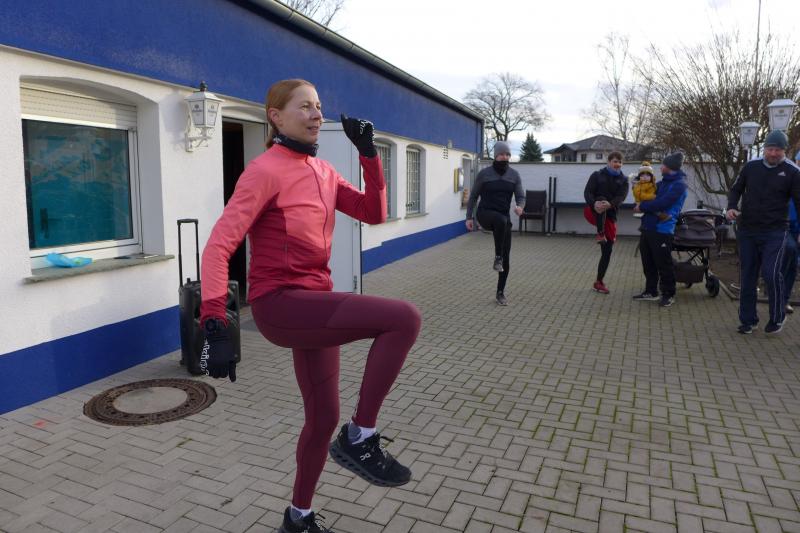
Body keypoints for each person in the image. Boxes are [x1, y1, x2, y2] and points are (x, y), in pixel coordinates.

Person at [198, 79, 422, 533]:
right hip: (279, 304)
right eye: (305, 107)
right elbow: (219, 246)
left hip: (314, 304)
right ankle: (361, 436)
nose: (317, 114)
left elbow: (374, 213)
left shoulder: (324, 172)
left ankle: (298, 518)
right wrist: (214, 319)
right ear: (276, 116)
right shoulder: (264, 171)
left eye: (319, 106)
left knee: (322, 419)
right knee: (403, 318)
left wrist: (370, 155)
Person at [726, 130, 800, 335]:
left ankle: (777, 316)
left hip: (775, 231)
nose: (773, 153)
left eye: (778, 150)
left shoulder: (793, 172)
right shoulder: (751, 167)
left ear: (784, 150)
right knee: (748, 275)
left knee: (770, 272)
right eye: (770, 149)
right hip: (748, 230)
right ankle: (748, 320)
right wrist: (731, 207)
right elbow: (736, 189)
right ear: (765, 148)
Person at [465, 141, 525, 305]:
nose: (505, 157)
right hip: (485, 214)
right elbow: (473, 197)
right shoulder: (484, 174)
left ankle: (500, 292)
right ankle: (497, 257)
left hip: (504, 220)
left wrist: (520, 206)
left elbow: (521, 196)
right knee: (500, 220)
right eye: (502, 154)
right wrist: (469, 217)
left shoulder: (514, 175)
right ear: (495, 155)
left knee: (507, 258)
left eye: (507, 154)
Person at [632, 152, 688, 308]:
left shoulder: (679, 185)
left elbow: (662, 203)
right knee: (648, 261)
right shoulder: (662, 183)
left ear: (670, 167)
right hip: (648, 226)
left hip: (663, 229)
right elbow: (649, 196)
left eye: (663, 164)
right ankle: (651, 291)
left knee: (664, 264)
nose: (661, 167)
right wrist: (638, 188)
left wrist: (642, 206)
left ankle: (668, 293)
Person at [583, 151, 629, 294]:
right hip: (593, 211)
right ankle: (600, 233)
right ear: (608, 162)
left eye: (620, 162)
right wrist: (594, 203)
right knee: (601, 198)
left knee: (607, 251)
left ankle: (599, 282)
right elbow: (587, 192)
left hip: (610, 217)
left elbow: (621, 197)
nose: (617, 164)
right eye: (615, 161)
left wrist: (610, 204)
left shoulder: (624, 180)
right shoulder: (597, 175)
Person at [782, 198, 799, 314]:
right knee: (790, 249)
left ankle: (784, 300)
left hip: (796, 232)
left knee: (793, 267)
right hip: (786, 229)